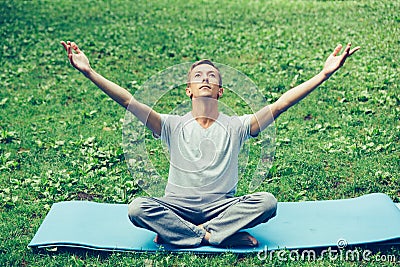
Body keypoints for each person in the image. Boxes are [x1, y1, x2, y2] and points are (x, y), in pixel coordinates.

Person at [61, 41, 360, 247]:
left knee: (268, 202)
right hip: (176, 207)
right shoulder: (171, 124)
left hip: (223, 208)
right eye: (198, 76)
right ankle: (216, 236)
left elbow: (280, 105)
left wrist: (323, 74)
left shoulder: (238, 126)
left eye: (212, 77)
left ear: (220, 91)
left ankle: (181, 236)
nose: (205, 79)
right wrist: (88, 71)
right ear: (189, 90)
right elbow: (128, 100)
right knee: (137, 208)